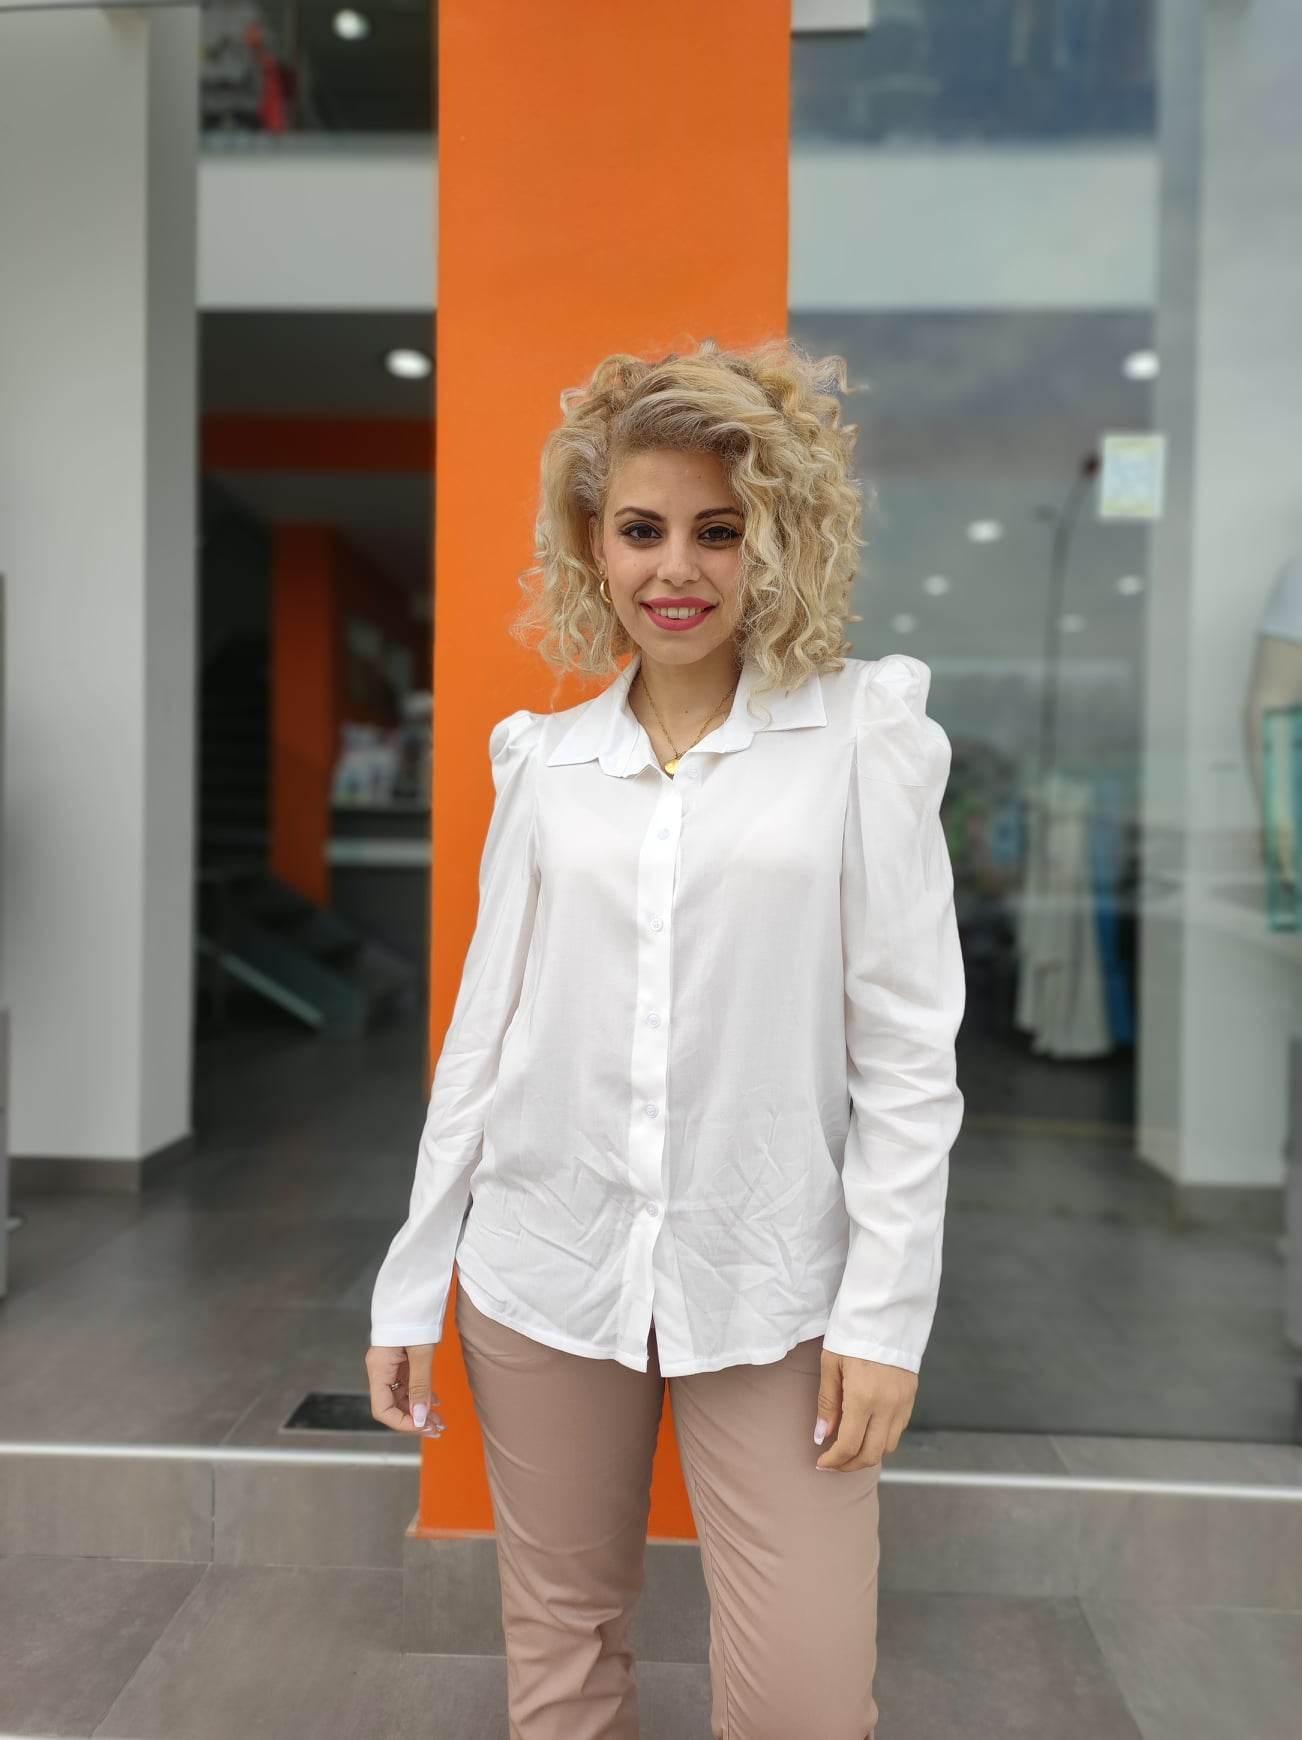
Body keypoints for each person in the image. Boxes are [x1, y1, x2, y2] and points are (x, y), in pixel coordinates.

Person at [364, 335, 966, 1740]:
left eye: (718, 530)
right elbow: (484, 1035)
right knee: (562, 1665)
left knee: (805, 1705)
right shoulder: (544, 762)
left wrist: (884, 1319)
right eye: (641, 529)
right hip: (547, 1263)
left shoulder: (860, 737)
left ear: (778, 540)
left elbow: (907, 1058)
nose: (675, 568)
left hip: (774, 1282)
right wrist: (410, 1283)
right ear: (594, 544)